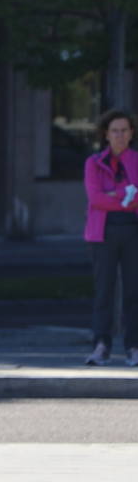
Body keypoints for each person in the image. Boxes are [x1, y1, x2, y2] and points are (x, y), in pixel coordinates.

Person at [82, 109, 138, 366]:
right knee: (103, 290)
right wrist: (123, 197)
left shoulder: (136, 161)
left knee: (133, 291)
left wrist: (112, 196)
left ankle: (133, 346)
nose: (119, 135)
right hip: (102, 233)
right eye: (114, 130)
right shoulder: (94, 163)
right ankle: (101, 345)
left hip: (132, 232)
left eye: (124, 130)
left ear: (131, 133)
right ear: (106, 134)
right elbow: (96, 199)